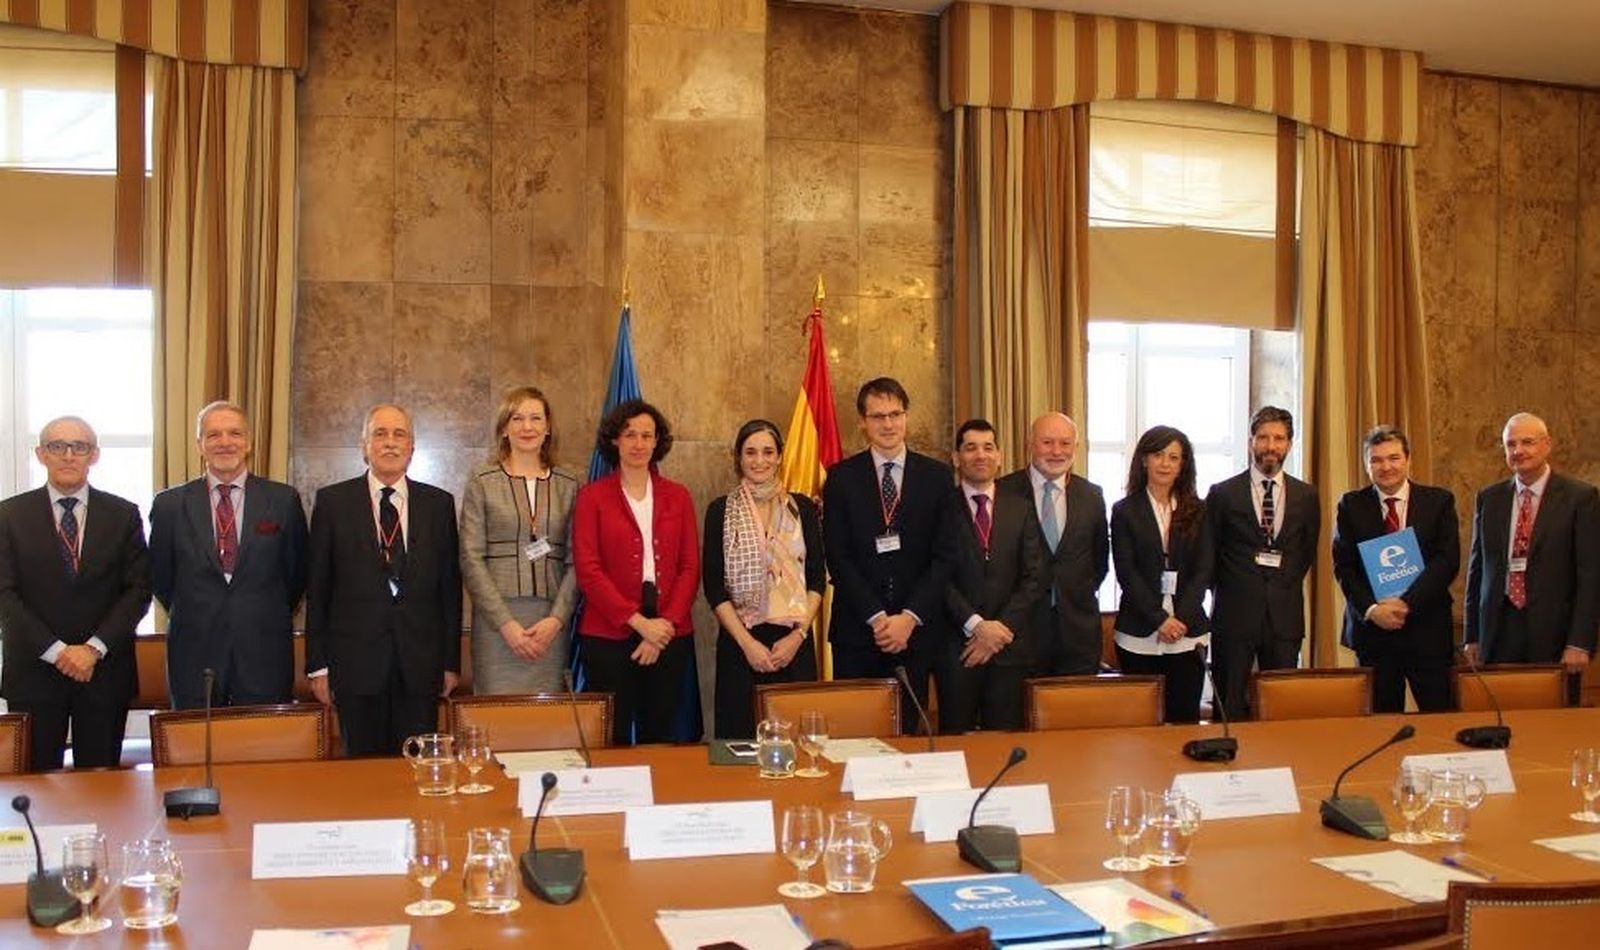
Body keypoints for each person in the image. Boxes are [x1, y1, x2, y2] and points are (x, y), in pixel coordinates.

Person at [304, 405, 462, 756]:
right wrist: (318, 665)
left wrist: (450, 662)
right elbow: (318, 589)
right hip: (354, 666)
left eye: (399, 434)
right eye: (380, 433)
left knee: (417, 769)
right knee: (362, 775)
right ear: (364, 445)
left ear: (412, 447)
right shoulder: (333, 503)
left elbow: (449, 592)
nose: (389, 443)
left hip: (420, 666)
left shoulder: (439, 504)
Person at [0, 417, 152, 770]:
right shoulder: (8, 515)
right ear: (41, 454)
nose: (68, 455)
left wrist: (92, 649)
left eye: (79, 447)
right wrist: (58, 652)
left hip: (103, 674)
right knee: (38, 792)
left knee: (101, 791)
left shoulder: (123, 514)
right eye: (57, 446)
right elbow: (4, 595)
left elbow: (138, 590)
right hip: (34, 675)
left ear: (94, 455)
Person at [149, 400, 309, 709]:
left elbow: (296, 573)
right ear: (200, 445)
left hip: (264, 651)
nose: (225, 442)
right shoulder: (169, 505)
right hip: (194, 652)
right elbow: (161, 577)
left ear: (248, 442)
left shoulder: (282, 500)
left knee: (262, 749)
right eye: (213, 435)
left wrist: (256, 608)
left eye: (234, 433)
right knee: (195, 748)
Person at [823, 377, 955, 731]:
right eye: (878, 416)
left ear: (906, 417)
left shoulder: (938, 477)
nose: (888, 424)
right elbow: (838, 555)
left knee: (908, 735)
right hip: (858, 630)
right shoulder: (841, 478)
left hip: (916, 632)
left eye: (895, 414)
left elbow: (945, 557)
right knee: (852, 732)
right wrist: (878, 617)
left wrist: (908, 618)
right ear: (863, 422)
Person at [572, 399, 701, 745]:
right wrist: (639, 623)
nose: (639, 444)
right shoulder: (591, 497)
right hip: (608, 634)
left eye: (647, 435)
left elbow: (690, 567)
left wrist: (663, 627)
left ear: (658, 442)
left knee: (660, 736)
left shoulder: (679, 496)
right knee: (610, 736)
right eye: (630, 435)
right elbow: (588, 569)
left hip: (669, 634)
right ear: (614, 440)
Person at [1464, 413, 1598, 703]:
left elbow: (1590, 575)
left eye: (1527, 442)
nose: (1518, 451)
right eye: (1510, 444)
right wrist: (1472, 635)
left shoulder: (1580, 498)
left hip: (1555, 634)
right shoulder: (1489, 498)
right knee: (1498, 719)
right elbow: (1477, 569)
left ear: (1547, 445)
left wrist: (1580, 642)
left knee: (1555, 725)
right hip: (1498, 631)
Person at [703, 420, 825, 739]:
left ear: (780, 456)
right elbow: (714, 588)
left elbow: (816, 579)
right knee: (740, 743)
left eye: (768, 452)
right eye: (751, 452)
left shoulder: (803, 509)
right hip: (741, 645)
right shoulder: (721, 511)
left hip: (793, 644)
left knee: (796, 743)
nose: (760, 461)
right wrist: (748, 644)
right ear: (739, 458)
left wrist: (797, 636)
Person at [459, 386, 580, 694]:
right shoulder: (482, 481)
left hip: (550, 625)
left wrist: (556, 620)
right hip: (496, 624)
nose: (527, 427)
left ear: (548, 427)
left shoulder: (569, 485)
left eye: (536, 418)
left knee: (546, 726)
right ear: (504, 428)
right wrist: (506, 625)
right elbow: (470, 559)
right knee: (496, 720)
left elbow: (578, 561)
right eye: (517, 418)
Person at [1331, 425, 1460, 714]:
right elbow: (1345, 567)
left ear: (1407, 459)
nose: (1385, 467)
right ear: (1366, 465)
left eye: (1393, 458)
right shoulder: (1351, 505)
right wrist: (1373, 610)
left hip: (1427, 629)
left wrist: (1406, 604)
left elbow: (1446, 561)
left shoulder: (1438, 502)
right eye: (1376, 460)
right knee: (1380, 722)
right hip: (1374, 632)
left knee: (1439, 717)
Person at [1205, 406, 1320, 720]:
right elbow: (1209, 556)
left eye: (1279, 438)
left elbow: (1305, 553)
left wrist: (1280, 584)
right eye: (1263, 437)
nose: (1271, 446)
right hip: (1234, 616)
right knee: (1229, 706)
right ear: (1251, 442)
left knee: (1281, 708)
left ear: (1289, 444)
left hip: (1284, 618)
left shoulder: (1307, 495)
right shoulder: (1222, 494)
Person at [939, 419, 1046, 732]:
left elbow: (1034, 576)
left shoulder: (1021, 508)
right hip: (958, 648)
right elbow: (936, 575)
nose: (980, 455)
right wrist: (976, 625)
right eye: (970, 448)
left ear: (999, 456)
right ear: (957, 458)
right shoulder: (940, 507)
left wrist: (998, 631)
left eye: (988, 447)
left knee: (1005, 746)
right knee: (955, 745)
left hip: (1009, 649)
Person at [1110, 426, 1212, 724]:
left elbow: (1204, 569)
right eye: (1158, 455)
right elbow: (1126, 572)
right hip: (1139, 632)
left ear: (1183, 465)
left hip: (1187, 631)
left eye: (1173, 457)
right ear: (1144, 460)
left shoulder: (1199, 510)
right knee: (1141, 724)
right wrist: (1160, 620)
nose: (1165, 463)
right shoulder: (1124, 511)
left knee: (1184, 720)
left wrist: (1180, 618)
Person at [996, 412, 1108, 677]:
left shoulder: (1092, 495)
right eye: (1047, 442)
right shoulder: (1003, 492)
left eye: (1065, 443)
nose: (1057, 451)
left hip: (1078, 635)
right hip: (1019, 633)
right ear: (1030, 444)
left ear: (1076, 447)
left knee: (1074, 716)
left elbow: (1099, 562)